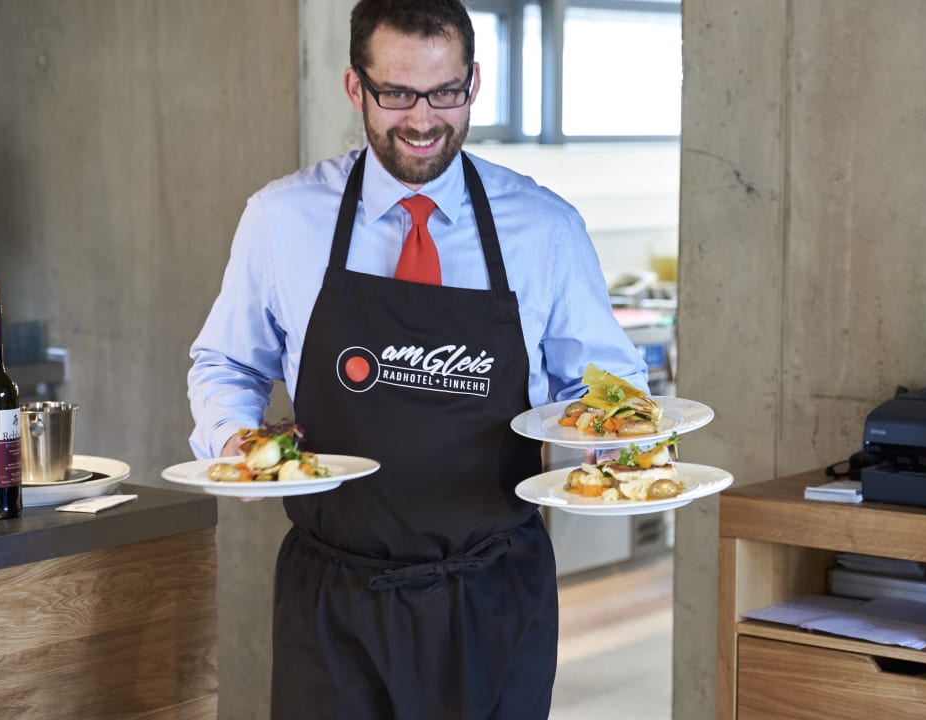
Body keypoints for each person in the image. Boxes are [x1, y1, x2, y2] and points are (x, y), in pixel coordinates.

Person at [187, 1, 648, 717]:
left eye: (445, 92)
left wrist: (614, 448)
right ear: (354, 87)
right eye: (395, 93)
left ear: (474, 81)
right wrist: (235, 438)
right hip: (333, 601)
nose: (423, 119)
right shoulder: (282, 218)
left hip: (493, 590)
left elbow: (604, 385)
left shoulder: (544, 227)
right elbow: (226, 361)